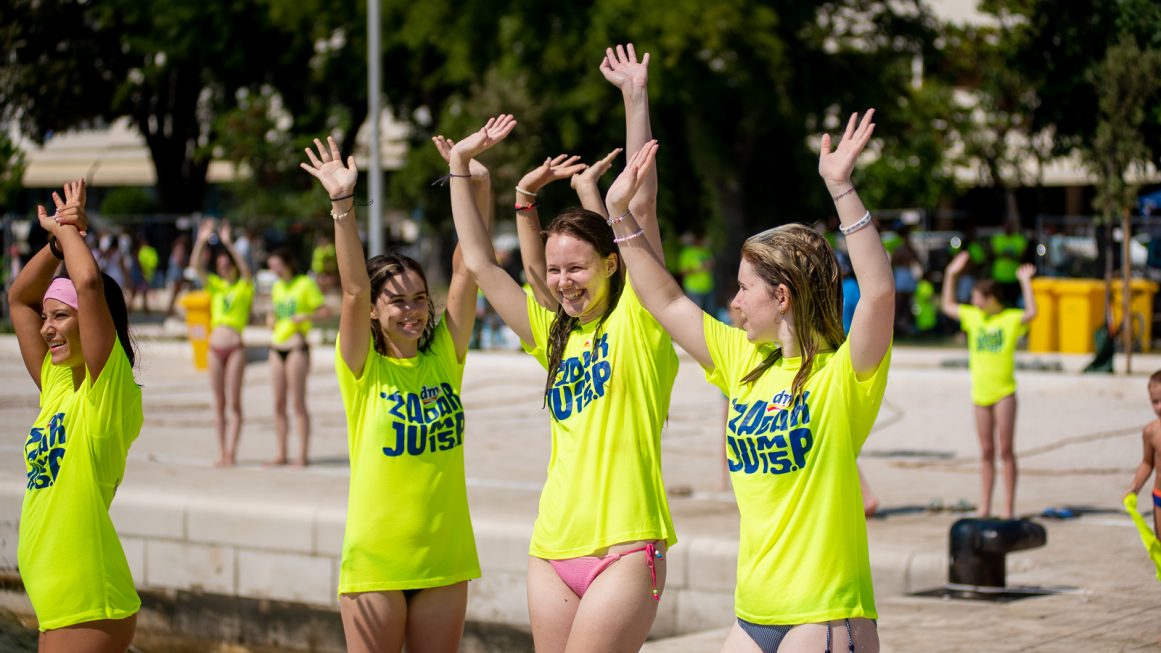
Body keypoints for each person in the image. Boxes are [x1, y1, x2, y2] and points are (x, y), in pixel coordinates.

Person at [608, 109, 892, 651]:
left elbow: (878, 295)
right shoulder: (743, 362)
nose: (733, 302)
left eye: (744, 289)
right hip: (752, 612)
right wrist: (618, 215)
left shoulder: (841, 376)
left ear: (781, 297)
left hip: (825, 615)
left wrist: (841, 188)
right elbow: (665, 298)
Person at [447, 45, 677, 653]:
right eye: (553, 271)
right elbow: (477, 261)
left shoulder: (639, 319)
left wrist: (635, 97)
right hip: (551, 549)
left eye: (576, 268)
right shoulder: (553, 336)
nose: (562, 281)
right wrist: (462, 168)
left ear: (610, 262)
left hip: (627, 548)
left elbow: (642, 202)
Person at [300, 133, 485, 653]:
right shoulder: (362, 368)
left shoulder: (445, 359)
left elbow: (470, 265)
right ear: (378, 313)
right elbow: (355, 289)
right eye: (398, 302)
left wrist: (466, 174)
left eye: (420, 299)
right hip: (377, 561)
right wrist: (342, 203)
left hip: (444, 558)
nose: (413, 311)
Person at [8, 179, 142, 651]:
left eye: (60, 316)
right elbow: (19, 300)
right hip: (65, 605)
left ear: (91, 318)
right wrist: (53, 242)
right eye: (48, 317)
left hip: (90, 603)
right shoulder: (59, 385)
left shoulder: (108, 392)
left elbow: (87, 283)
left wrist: (71, 230)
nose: (47, 328)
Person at [941, 251, 1037, 519]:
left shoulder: (1009, 319)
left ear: (989, 299)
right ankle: (985, 505)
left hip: (1004, 393)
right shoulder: (973, 317)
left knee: (1006, 450)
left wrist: (1025, 281)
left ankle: (1008, 508)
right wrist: (951, 272)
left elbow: (1032, 313)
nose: (972, 301)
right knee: (986, 451)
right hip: (980, 394)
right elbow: (947, 305)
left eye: (976, 297)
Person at [190, 219, 254, 467]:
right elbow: (196, 267)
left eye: (227, 264)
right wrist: (202, 239)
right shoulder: (215, 286)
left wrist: (228, 244)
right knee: (219, 402)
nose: (224, 267)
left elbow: (246, 269)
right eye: (220, 264)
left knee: (234, 401)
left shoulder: (243, 286)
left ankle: (231, 451)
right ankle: (221, 450)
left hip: (235, 346)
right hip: (215, 347)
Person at [266, 246, 328, 466]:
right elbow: (276, 311)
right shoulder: (277, 286)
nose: (274, 270)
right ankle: (281, 452)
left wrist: (305, 316)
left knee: (298, 402)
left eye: (277, 265)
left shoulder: (304, 283)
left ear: (287, 263)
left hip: (297, 347)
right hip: (276, 345)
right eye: (271, 266)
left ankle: (302, 454)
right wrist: (270, 318)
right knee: (278, 403)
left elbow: (325, 310)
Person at [1125, 370, 1161, 539]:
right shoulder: (1151, 432)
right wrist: (1135, 486)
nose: (1159, 407)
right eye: (1155, 402)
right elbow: (1147, 463)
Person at [678, 230, 715, 313]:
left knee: (711, 314)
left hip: (708, 287)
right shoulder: (687, 252)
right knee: (696, 314)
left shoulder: (706, 251)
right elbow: (683, 272)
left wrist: (710, 265)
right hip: (694, 290)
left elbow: (712, 265)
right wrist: (699, 269)